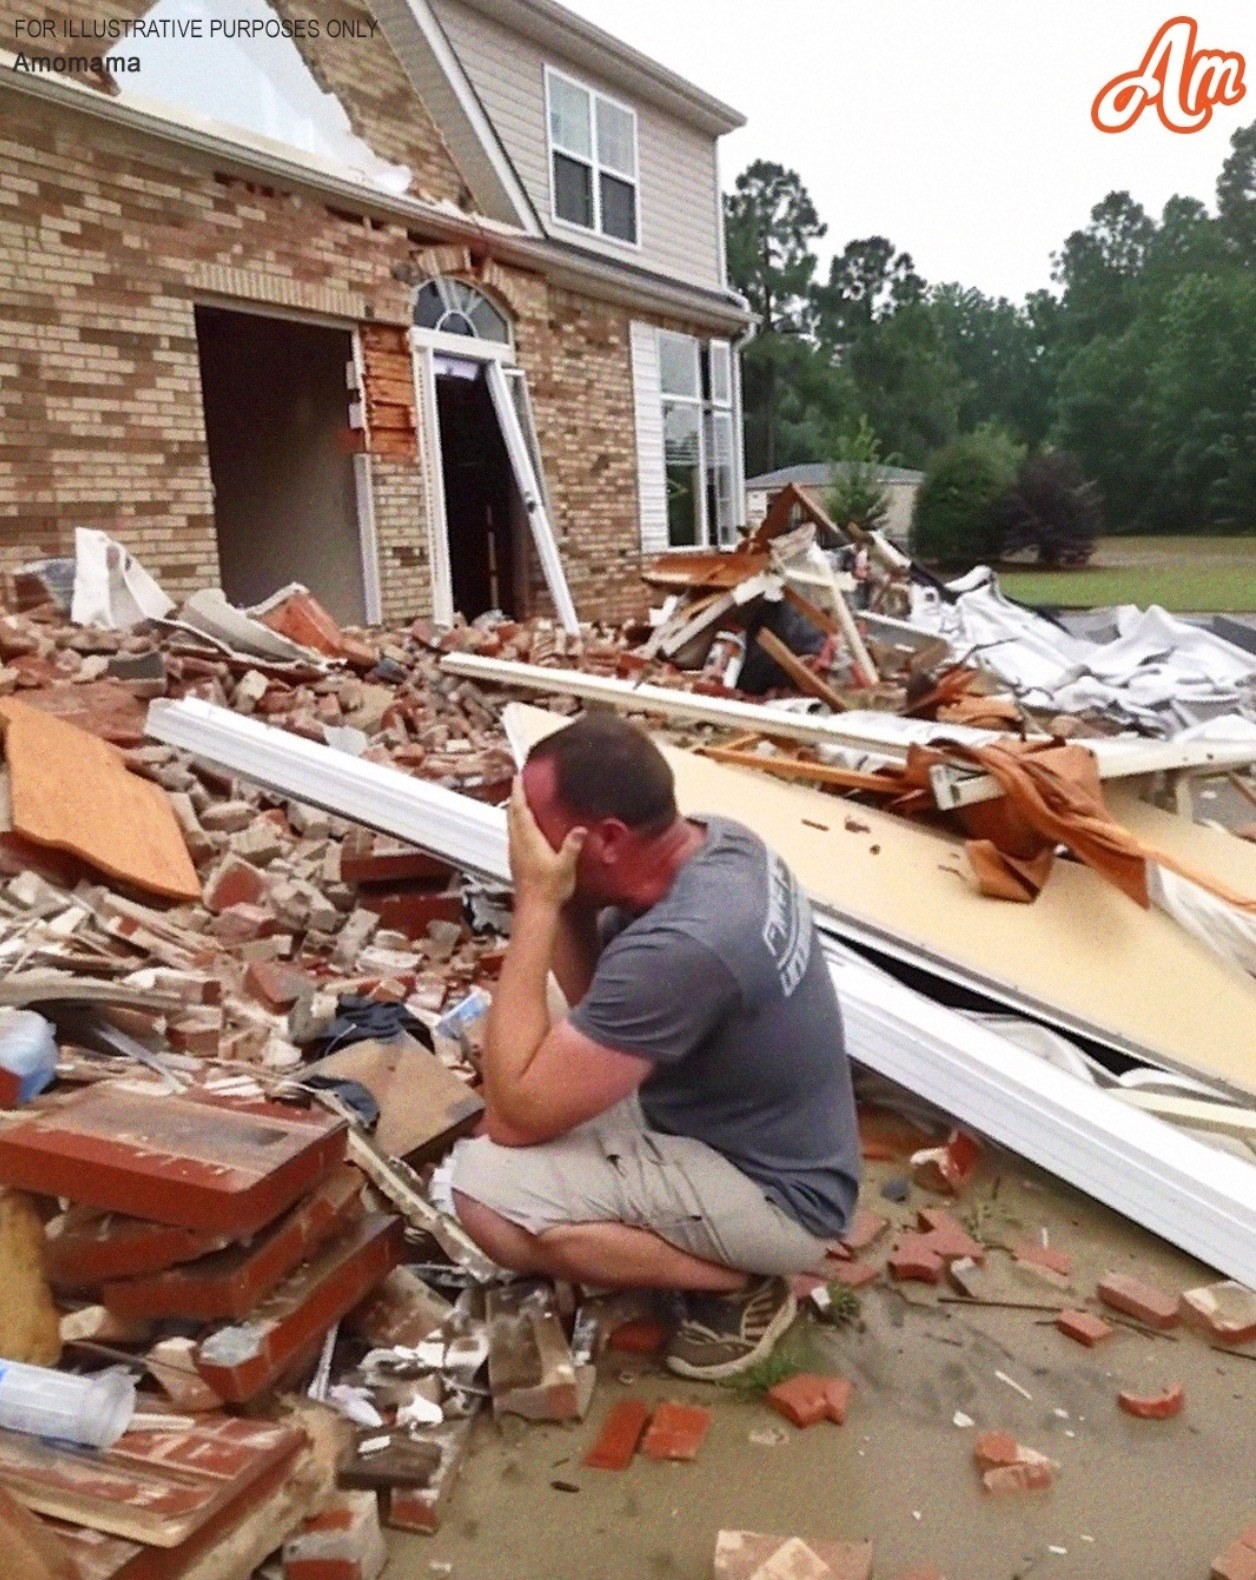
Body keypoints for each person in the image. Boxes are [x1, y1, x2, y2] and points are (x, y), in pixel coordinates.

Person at [450, 714, 860, 1381]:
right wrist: (567, 902)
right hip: (752, 1124)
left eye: (535, 827)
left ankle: (739, 1283)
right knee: (537, 1015)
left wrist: (537, 900)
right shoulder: (716, 843)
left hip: (780, 1197)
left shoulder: (686, 945)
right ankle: (689, 1242)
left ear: (609, 839)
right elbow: (600, 1001)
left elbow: (513, 1119)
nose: (524, 842)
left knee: (486, 1194)